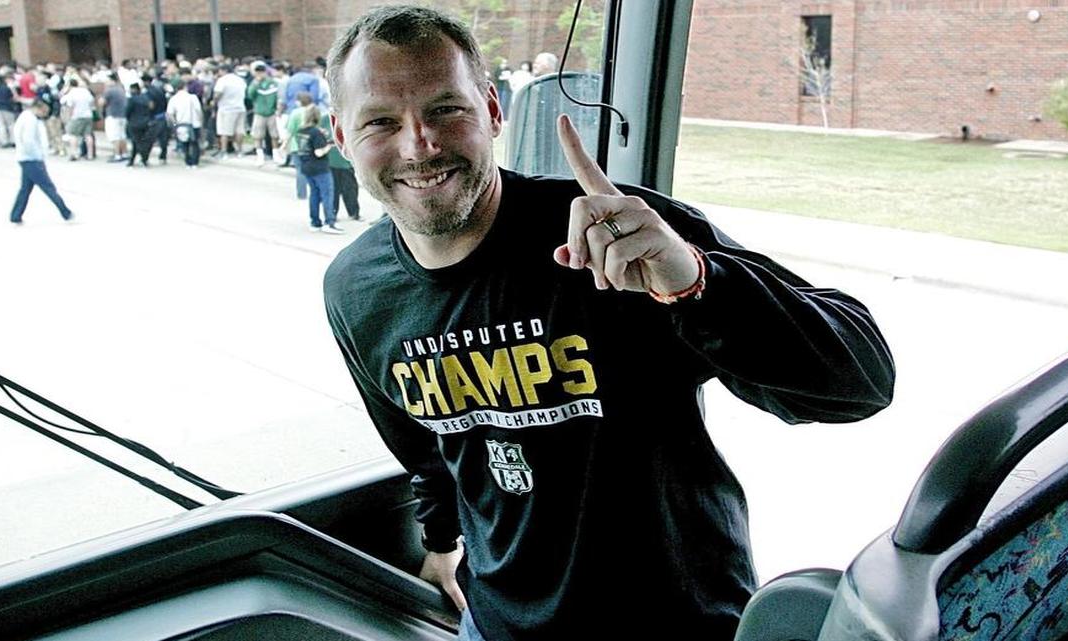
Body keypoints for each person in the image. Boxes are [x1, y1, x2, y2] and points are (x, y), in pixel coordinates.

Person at [321, 6, 895, 641]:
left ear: (491, 109)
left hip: (680, 621)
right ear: (343, 138)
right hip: (497, 625)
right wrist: (440, 540)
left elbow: (860, 380)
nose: (419, 144)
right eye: (381, 121)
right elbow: (429, 448)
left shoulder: (622, 238)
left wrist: (696, 282)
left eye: (446, 109)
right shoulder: (356, 288)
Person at [9, 100, 74, 224]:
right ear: (38, 108)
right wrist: (38, 155)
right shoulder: (30, 120)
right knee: (48, 186)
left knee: (25, 189)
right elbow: (29, 140)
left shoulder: (26, 117)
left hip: (26, 157)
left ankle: (15, 215)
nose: (44, 114)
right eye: (44, 111)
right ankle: (65, 211)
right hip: (32, 158)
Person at [295, 105, 342, 233]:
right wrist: (329, 146)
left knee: (314, 194)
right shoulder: (316, 133)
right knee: (327, 195)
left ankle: (315, 222)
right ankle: (329, 223)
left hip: (306, 166)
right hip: (320, 168)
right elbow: (319, 152)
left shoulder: (301, 131)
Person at [319, 109, 360, 222]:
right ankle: (333, 214)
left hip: (346, 162)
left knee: (350, 189)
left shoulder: (348, 116)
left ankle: (354, 213)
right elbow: (320, 136)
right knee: (334, 190)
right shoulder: (324, 119)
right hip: (330, 162)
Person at [247, 61, 280, 166]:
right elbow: (250, 95)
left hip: (271, 113)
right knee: (258, 135)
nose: (260, 74)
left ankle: (276, 155)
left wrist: (276, 109)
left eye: (261, 72)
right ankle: (260, 156)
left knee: (274, 135)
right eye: (258, 72)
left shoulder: (273, 83)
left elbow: (277, 96)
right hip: (259, 113)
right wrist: (256, 83)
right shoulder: (254, 83)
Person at [166, 77, 203, 168]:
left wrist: (175, 124)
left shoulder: (173, 99)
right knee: (194, 144)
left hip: (181, 124)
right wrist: (201, 121)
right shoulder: (192, 97)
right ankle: (195, 162)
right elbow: (199, 111)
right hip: (194, 123)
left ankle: (188, 162)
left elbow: (170, 114)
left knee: (184, 144)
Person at [212, 64, 246, 157]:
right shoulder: (240, 80)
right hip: (240, 107)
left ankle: (224, 152)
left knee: (224, 131)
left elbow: (217, 94)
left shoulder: (222, 80)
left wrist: (214, 101)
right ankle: (240, 151)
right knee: (239, 130)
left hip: (226, 108)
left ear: (223, 70)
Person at [61, 77, 95, 161]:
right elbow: (91, 102)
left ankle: (74, 154)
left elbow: (70, 106)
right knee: (88, 135)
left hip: (76, 116)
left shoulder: (72, 93)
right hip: (88, 115)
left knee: (73, 135)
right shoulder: (85, 91)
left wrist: (69, 117)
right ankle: (90, 154)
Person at [100, 72, 128, 162]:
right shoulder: (121, 89)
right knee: (122, 135)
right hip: (122, 115)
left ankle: (117, 155)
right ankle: (124, 153)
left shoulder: (109, 90)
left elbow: (101, 102)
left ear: (111, 80)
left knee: (114, 136)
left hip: (113, 115)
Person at [124, 83, 153, 167]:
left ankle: (141, 159)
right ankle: (136, 160)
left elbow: (127, 111)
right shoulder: (146, 98)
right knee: (141, 141)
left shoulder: (132, 99)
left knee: (136, 142)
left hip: (134, 123)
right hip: (145, 122)